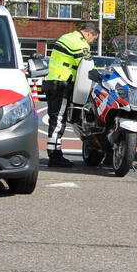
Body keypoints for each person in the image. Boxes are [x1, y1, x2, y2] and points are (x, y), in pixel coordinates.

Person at [44, 22, 99, 168]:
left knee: (55, 117)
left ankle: (54, 152)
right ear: (88, 33)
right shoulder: (80, 43)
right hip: (62, 83)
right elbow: (87, 65)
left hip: (52, 80)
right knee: (58, 119)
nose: (92, 42)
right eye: (94, 39)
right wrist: (101, 76)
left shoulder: (67, 37)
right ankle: (54, 156)